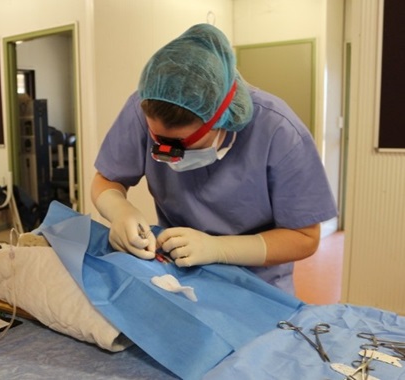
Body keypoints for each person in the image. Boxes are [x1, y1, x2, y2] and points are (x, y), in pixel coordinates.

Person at [91, 24, 337, 293]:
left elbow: (305, 237)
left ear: (222, 119)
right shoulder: (144, 108)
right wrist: (119, 211)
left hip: (257, 288)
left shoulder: (279, 131)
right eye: (158, 141)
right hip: (177, 274)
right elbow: (106, 179)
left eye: (182, 144)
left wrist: (220, 249)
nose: (170, 153)